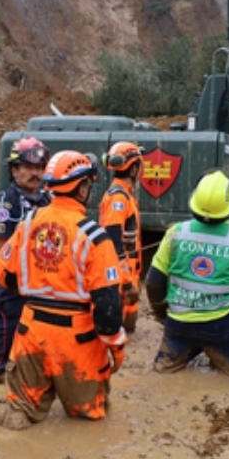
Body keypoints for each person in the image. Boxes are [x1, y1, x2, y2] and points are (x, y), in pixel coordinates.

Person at [0, 150, 125, 429]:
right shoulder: (95, 237)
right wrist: (117, 345)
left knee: (18, 415)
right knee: (89, 419)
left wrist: (42, 282)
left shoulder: (27, 224)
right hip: (78, 341)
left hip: (31, 332)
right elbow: (108, 308)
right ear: (82, 188)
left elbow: (4, 274)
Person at [145, 170, 229, 377]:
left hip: (178, 324)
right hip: (221, 328)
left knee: (163, 372)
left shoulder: (175, 233)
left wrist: (162, 314)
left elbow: (153, 283)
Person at [0, 136, 51, 383]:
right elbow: (0, 250)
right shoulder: (6, 205)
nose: (35, 173)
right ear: (14, 170)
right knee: (7, 327)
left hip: (41, 281)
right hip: (12, 281)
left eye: (40, 167)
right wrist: (13, 279)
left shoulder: (47, 201)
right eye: (29, 167)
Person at [98, 141, 144, 333]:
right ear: (133, 169)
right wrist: (125, 282)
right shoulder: (118, 198)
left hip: (128, 273)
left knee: (127, 329)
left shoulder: (125, 195)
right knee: (117, 330)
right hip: (121, 276)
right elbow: (113, 241)